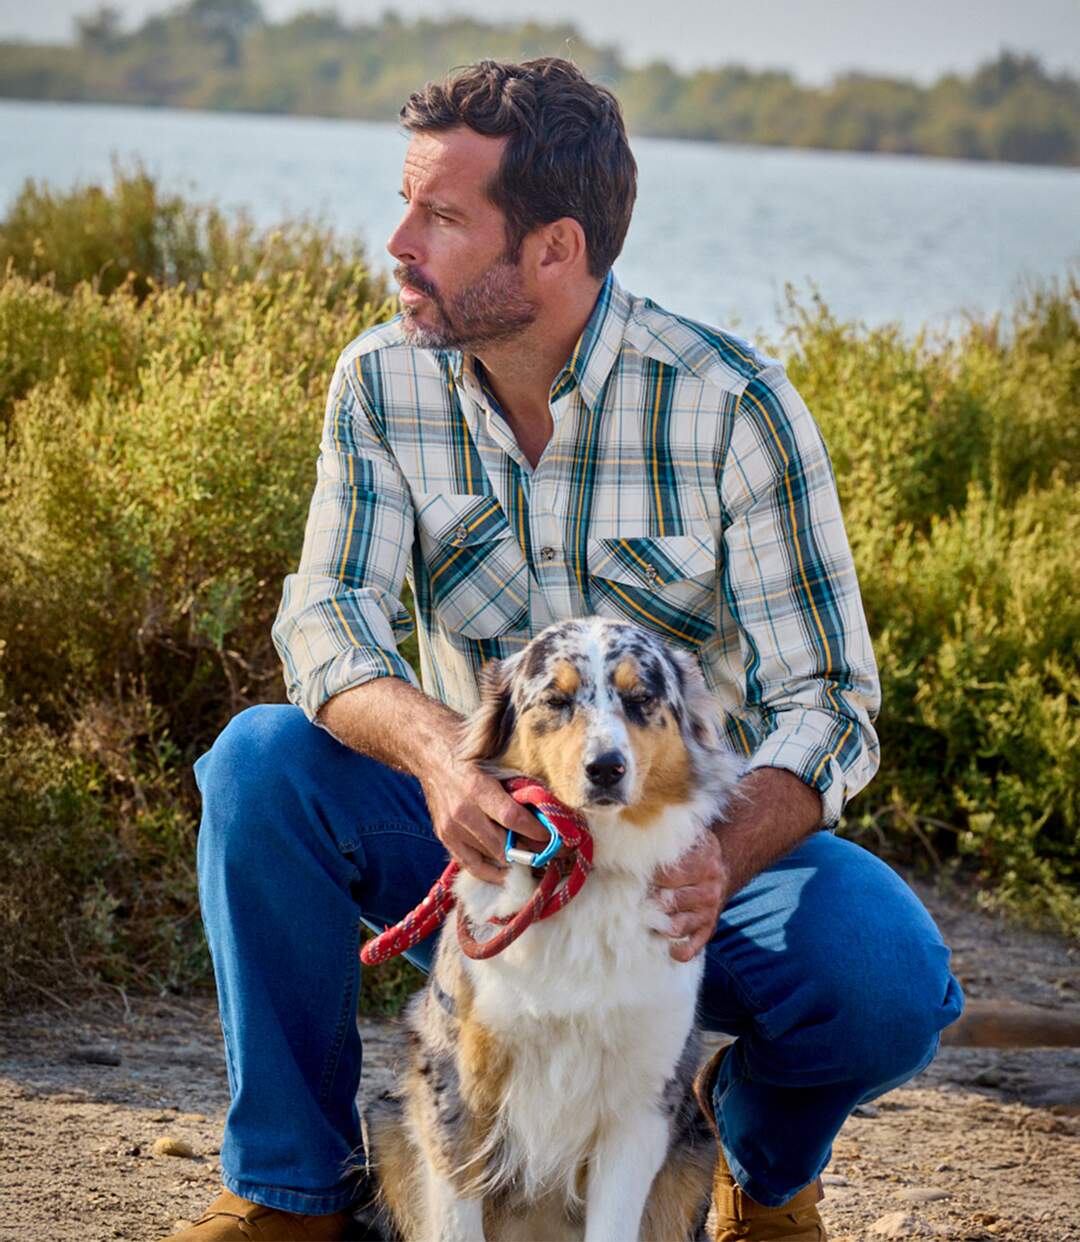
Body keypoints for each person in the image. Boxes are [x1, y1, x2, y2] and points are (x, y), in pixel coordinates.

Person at [169, 57, 964, 1242]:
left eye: (441, 217)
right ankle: (291, 1195)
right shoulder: (380, 384)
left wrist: (718, 855)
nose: (398, 241)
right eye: (407, 203)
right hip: (478, 844)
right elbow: (326, 617)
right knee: (260, 766)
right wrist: (445, 759)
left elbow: (832, 698)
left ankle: (758, 1168)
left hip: (678, 855)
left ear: (553, 249)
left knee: (887, 981)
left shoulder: (730, 404)